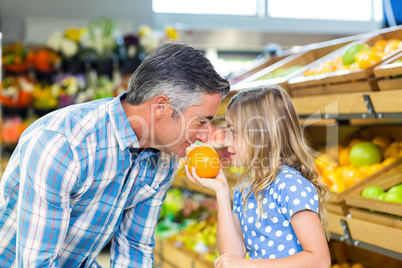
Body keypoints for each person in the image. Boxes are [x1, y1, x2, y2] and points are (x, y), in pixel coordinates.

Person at [0, 41, 230, 267]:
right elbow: (35, 263)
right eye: (201, 122)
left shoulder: (165, 157)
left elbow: (135, 247)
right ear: (161, 106)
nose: (204, 136)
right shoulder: (65, 145)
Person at [186, 85, 331, 268]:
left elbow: (320, 260)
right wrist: (221, 191)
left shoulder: (290, 185)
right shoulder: (245, 189)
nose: (227, 141)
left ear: (261, 135)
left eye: (233, 131)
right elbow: (232, 255)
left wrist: (249, 265)